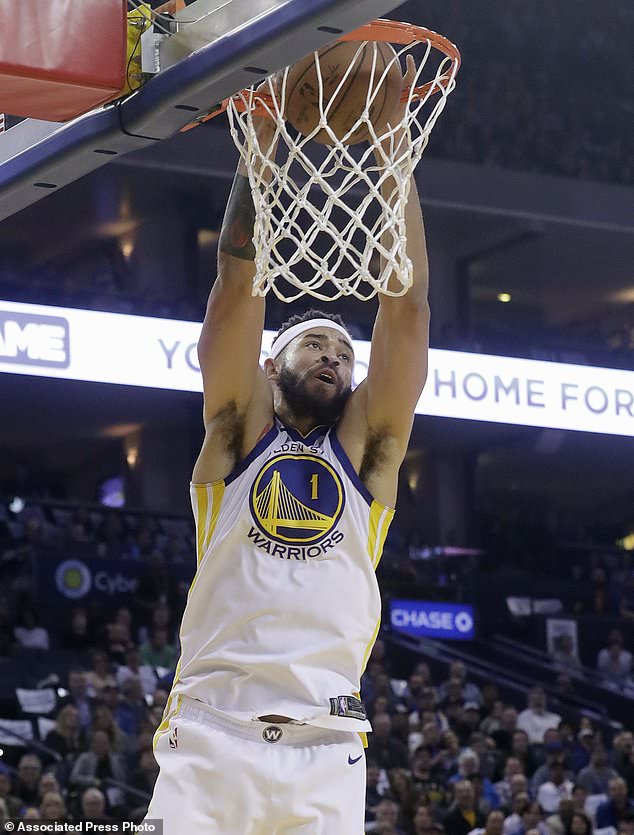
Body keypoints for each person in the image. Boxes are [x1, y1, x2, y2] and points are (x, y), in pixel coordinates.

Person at [143, 58, 430, 834]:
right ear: (272, 365)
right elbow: (235, 293)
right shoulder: (234, 432)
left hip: (328, 743)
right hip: (211, 730)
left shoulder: (372, 456)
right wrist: (261, 146)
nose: (336, 355)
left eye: (344, 348)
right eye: (315, 343)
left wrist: (392, 144)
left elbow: (406, 315)